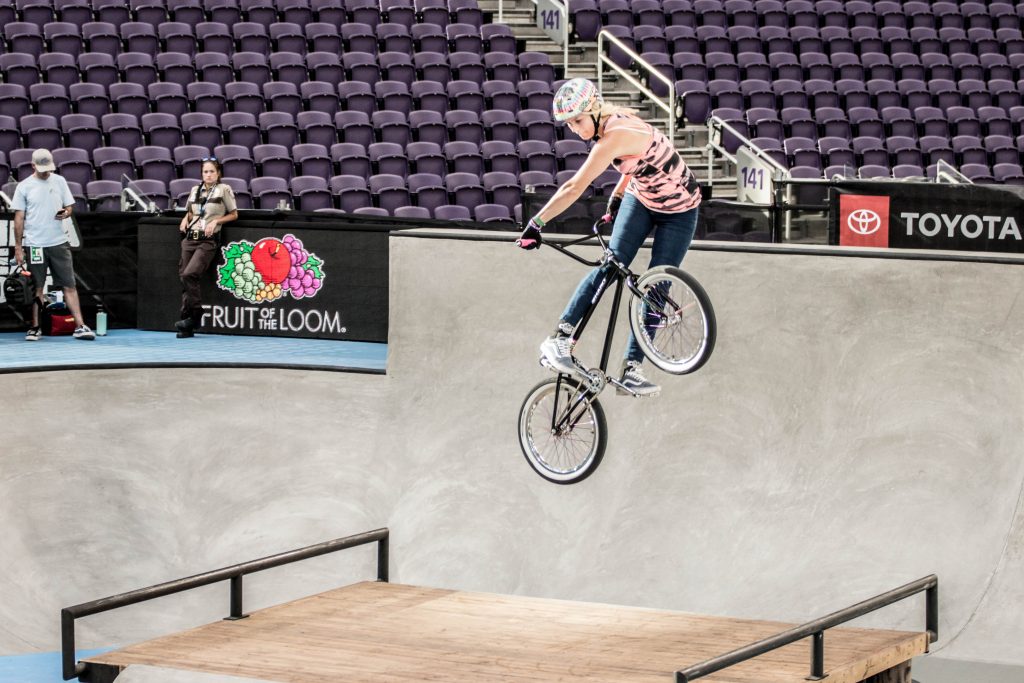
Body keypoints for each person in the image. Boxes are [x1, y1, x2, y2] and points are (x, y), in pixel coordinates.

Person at [517, 78, 702, 396]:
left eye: (577, 120)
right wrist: (617, 197)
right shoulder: (611, 127)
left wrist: (537, 223)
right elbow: (639, 162)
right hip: (641, 199)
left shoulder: (614, 135)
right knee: (612, 264)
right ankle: (560, 338)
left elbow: (573, 187)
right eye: (568, 124)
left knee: (658, 283)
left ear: (594, 109)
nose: (574, 129)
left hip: (681, 211)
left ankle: (633, 368)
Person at [11, 149, 95, 341]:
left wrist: (66, 213)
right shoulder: (24, 187)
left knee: (70, 285)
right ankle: (35, 327)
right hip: (35, 245)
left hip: (59, 242)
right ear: (32, 166)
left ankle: (80, 326)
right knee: (38, 288)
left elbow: (69, 206)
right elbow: (19, 217)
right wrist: (18, 247)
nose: (45, 171)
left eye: (48, 167)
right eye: (41, 168)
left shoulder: (60, 181)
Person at [175, 157, 238, 338]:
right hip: (190, 238)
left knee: (190, 274)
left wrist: (217, 220)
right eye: (205, 172)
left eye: (211, 171)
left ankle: (196, 314)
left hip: (207, 240)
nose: (208, 175)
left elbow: (234, 214)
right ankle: (187, 324)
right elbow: (191, 211)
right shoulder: (196, 190)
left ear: (218, 174)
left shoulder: (223, 189)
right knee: (184, 278)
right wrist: (184, 219)